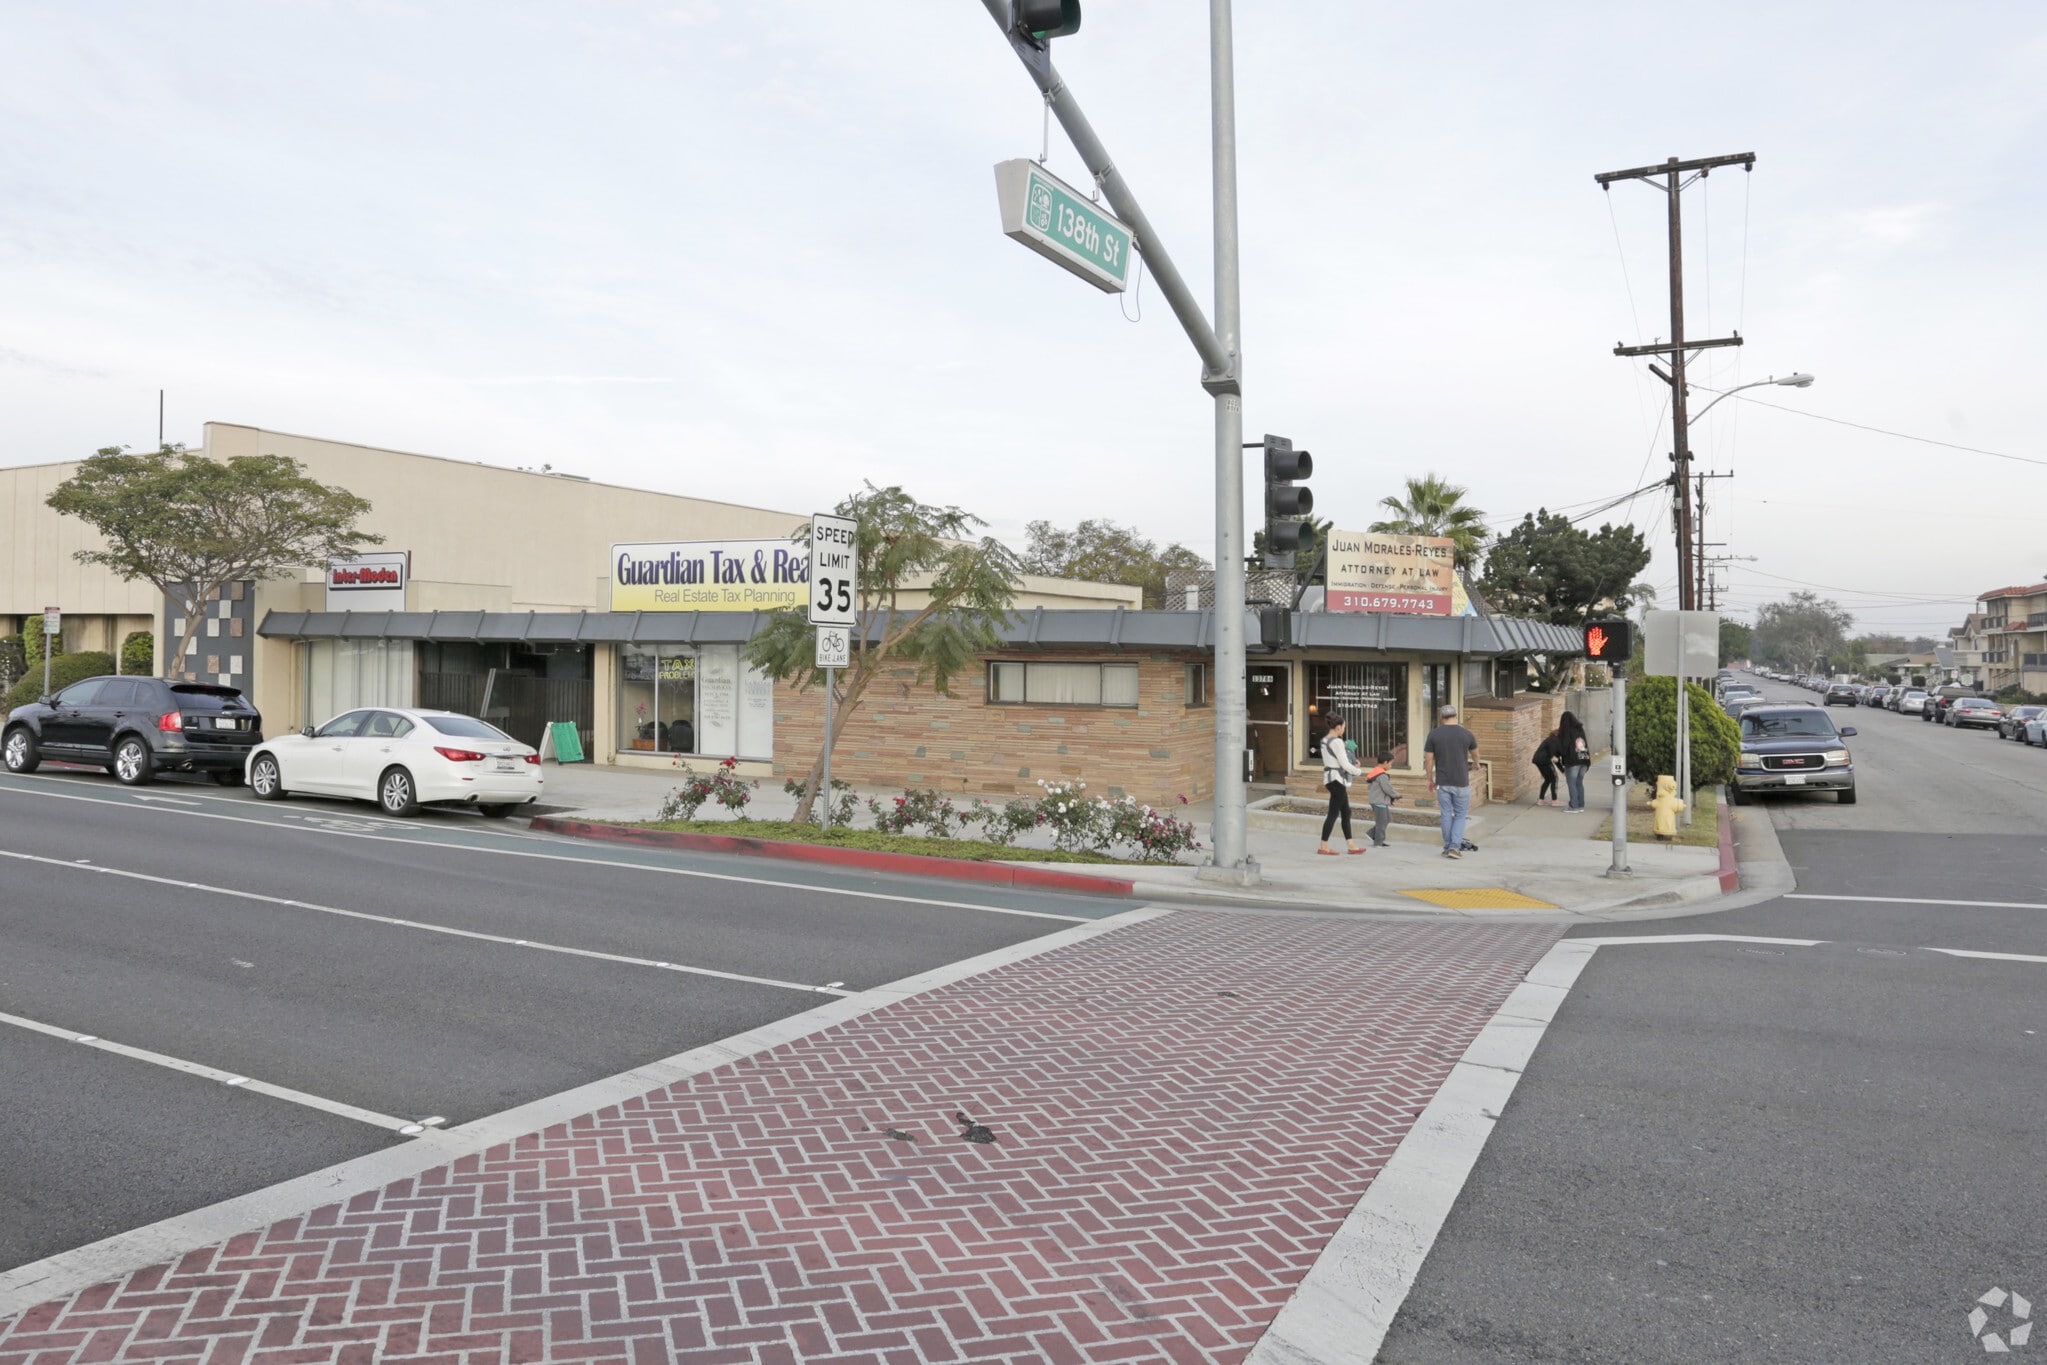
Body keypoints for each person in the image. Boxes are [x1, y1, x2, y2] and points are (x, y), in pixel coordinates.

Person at [1423, 704, 1480, 859]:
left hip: (1443, 782)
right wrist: (1476, 763)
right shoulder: (1466, 734)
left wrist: (1429, 778)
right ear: (1456, 716)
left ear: (1442, 718)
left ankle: (1448, 846)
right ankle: (1455, 847)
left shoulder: (1434, 734)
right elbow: (1475, 753)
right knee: (1461, 815)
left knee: (1446, 814)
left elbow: (1429, 759)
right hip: (1461, 782)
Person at [1317, 717, 1367, 856]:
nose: (1344, 729)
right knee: (1333, 813)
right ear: (1338, 727)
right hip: (1337, 780)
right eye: (1344, 727)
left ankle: (1351, 845)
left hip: (1330, 779)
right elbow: (1344, 764)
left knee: (1346, 812)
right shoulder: (1337, 742)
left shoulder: (1324, 740)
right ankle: (1323, 846)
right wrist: (1358, 771)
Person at [1364, 749, 1399, 848]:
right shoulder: (1382, 775)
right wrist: (1395, 795)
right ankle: (1378, 842)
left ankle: (1372, 834)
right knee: (1382, 821)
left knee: (1387, 819)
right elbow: (1387, 788)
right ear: (1385, 762)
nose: (1391, 766)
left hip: (1379, 801)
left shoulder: (1376, 772)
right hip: (1379, 801)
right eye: (1390, 763)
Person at [1558, 710, 1591, 812]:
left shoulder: (1567, 730)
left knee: (1572, 783)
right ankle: (1580, 805)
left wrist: (1561, 757)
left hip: (1573, 761)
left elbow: (1565, 746)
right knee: (1579, 783)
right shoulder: (1580, 729)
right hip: (1584, 759)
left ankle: (1573, 806)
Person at [1531, 728, 1562, 806]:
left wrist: (1562, 769)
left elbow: (1555, 757)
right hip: (1544, 760)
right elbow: (1554, 757)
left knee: (1548, 779)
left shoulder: (1549, 739)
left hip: (1537, 760)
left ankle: (1541, 800)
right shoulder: (1555, 741)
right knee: (1554, 778)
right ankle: (1554, 800)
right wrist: (1562, 770)